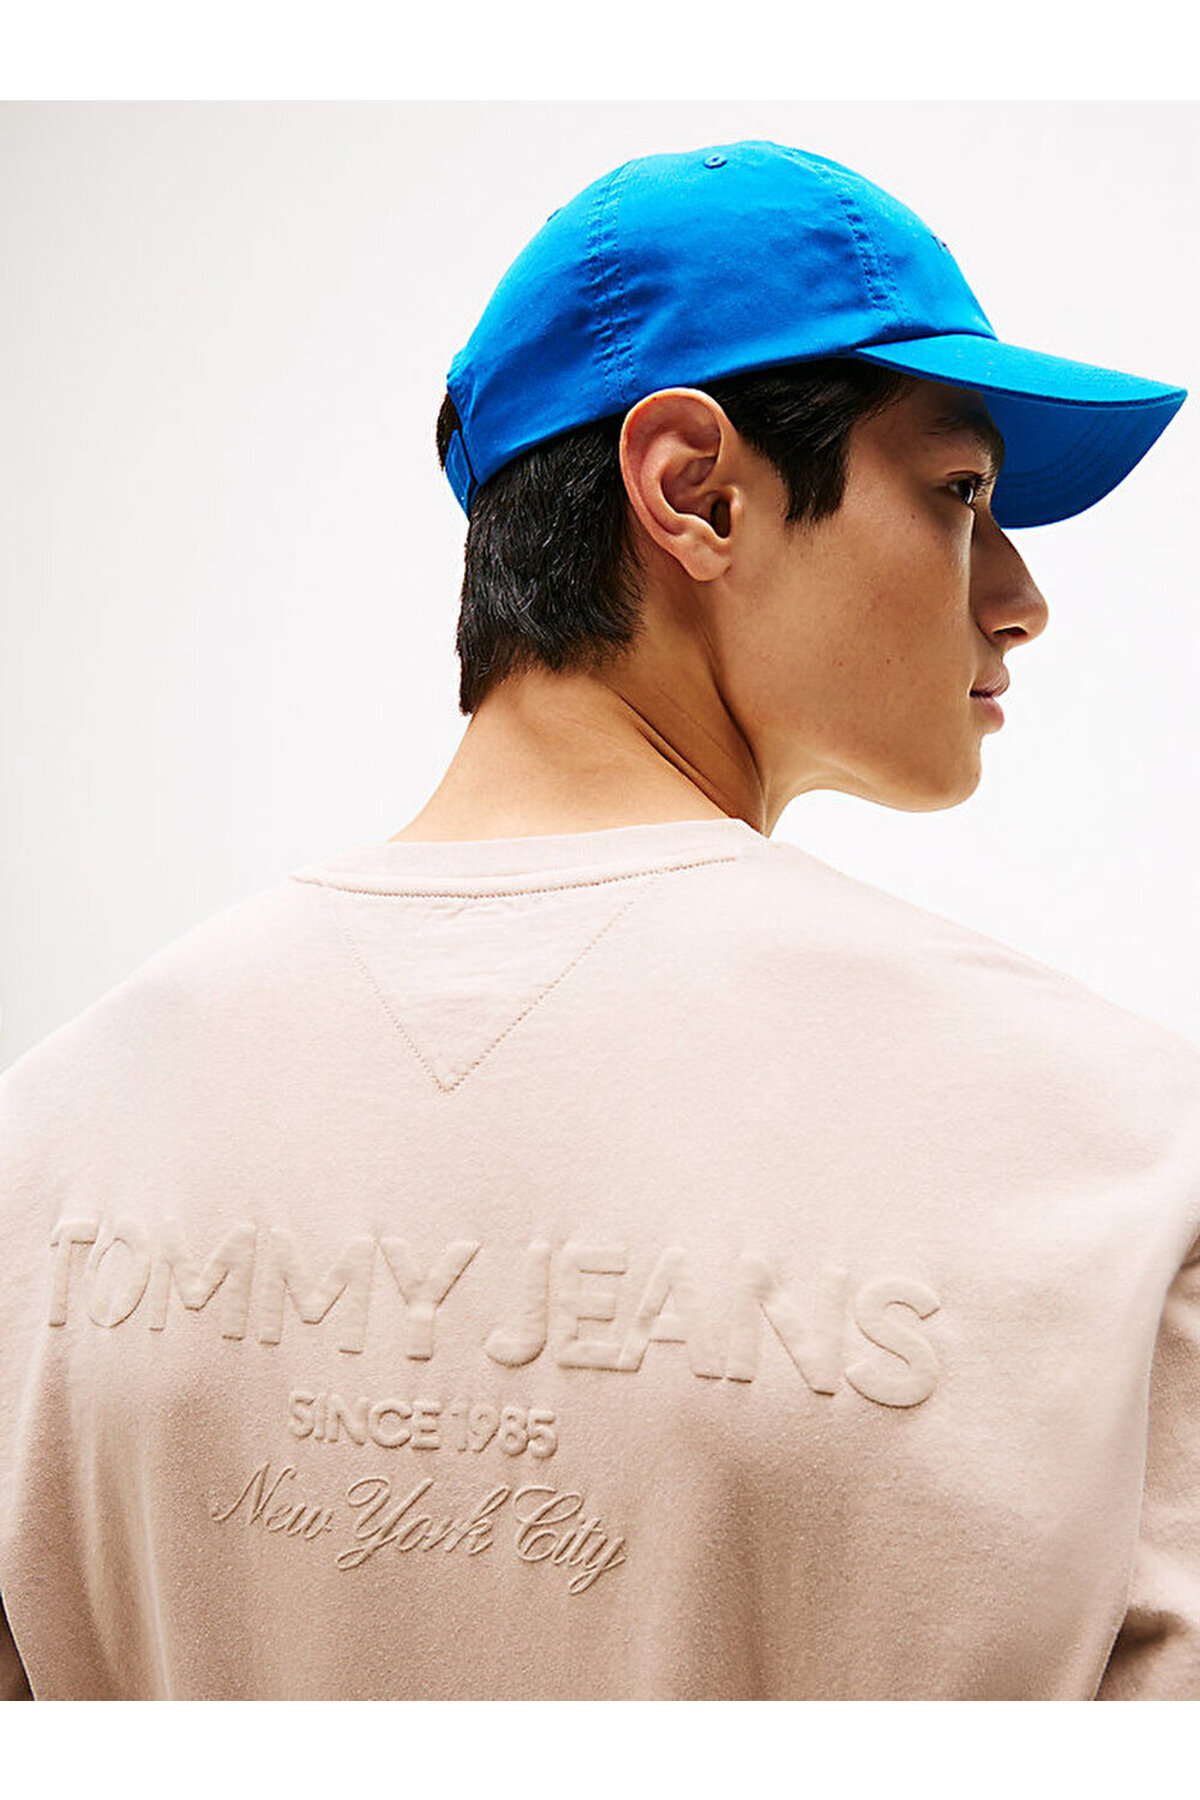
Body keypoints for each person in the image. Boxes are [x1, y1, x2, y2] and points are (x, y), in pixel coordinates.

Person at [0, 137, 1196, 1701]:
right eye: (961, 493)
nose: (1019, 596)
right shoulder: (1118, 1162)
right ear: (694, 489)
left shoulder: (54, 1142)